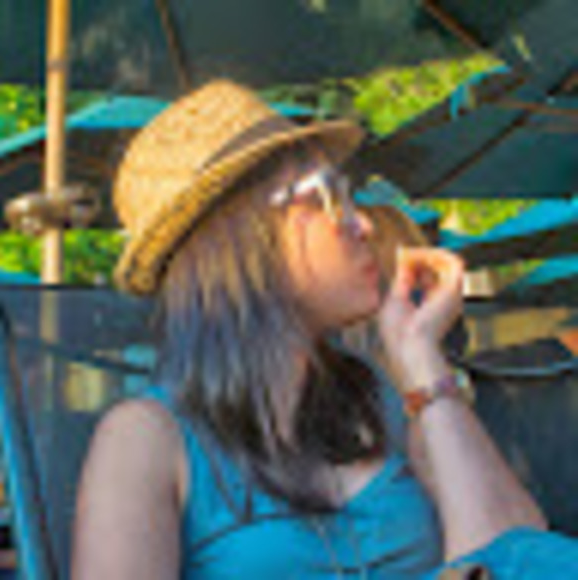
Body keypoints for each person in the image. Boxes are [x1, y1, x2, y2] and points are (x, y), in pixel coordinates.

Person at [71, 80, 578, 579]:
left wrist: (420, 353)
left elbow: (517, 554)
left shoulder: (381, 402)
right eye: (329, 196)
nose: (365, 225)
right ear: (244, 237)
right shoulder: (146, 439)